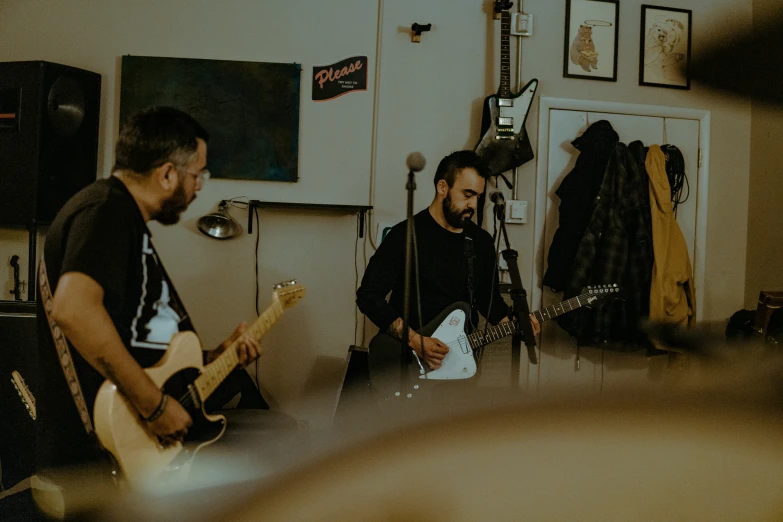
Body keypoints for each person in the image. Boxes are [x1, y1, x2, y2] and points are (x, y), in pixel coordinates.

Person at [35, 107, 271, 476]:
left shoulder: (121, 217)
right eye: (198, 175)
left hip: (128, 446)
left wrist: (216, 357)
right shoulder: (106, 210)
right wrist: (155, 407)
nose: (199, 187)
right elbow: (74, 310)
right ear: (166, 174)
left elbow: (137, 342)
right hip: (98, 457)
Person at [356, 150, 540, 371]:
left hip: (459, 364)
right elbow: (368, 296)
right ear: (443, 187)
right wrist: (415, 340)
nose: (473, 204)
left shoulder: (480, 242)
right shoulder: (405, 236)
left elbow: (487, 301)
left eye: (478, 197)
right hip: (407, 364)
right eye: (467, 194)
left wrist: (516, 324)